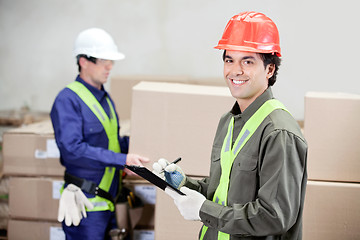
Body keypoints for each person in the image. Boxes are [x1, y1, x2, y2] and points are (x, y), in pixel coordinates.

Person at [153, 11, 308, 240]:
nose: (235, 70)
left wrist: (203, 209)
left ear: (270, 69)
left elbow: (275, 216)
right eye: (229, 60)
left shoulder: (279, 133)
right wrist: (185, 184)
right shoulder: (228, 122)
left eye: (248, 61)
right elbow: (224, 195)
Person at [50, 28, 149, 240]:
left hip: (109, 202)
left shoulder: (105, 98)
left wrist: (144, 144)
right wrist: (122, 160)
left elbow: (112, 142)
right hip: (86, 206)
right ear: (83, 61)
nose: (109, 66)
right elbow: (72, 150)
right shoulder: (68, 100)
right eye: (103, 60)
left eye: (111, 61)